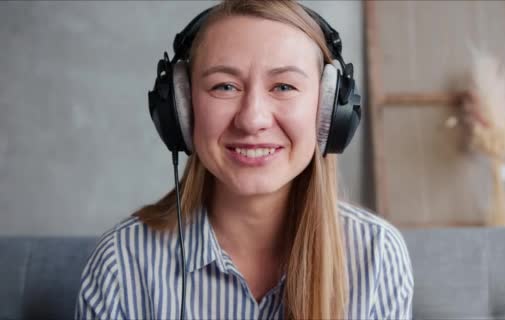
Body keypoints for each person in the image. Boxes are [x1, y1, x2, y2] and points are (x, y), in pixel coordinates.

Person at [75, 1, 413, 319]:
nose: (252, 119)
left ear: (328, 111)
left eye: (283, 87)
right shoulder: (121, 263)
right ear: (183, 108)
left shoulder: (376, 256)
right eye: (224, 86)